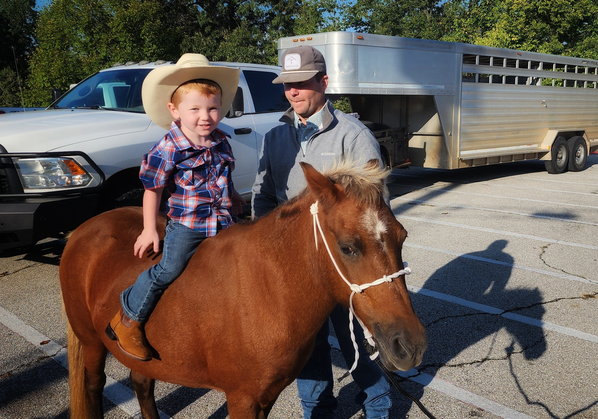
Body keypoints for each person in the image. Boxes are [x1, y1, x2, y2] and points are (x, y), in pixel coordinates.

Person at [251, 45, 392, 419]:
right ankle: (318, 410)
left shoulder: (352, 135)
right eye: (287, 85)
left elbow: (375, 213)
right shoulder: (275, 137)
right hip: (295, 266)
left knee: (351, 340)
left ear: (324, 82)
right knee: (307, 345)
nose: (293, 92)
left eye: (302, 83)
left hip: (341, 262)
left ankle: (378, 402)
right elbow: (263, 197)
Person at [106, 53, 245, 362]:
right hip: (188, 225)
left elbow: (224, 176)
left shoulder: (222, 141)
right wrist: (148, 229)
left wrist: (233, 197)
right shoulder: (168, 147)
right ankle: (128, 318)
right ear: (175, 110)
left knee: (239, 267)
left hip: (223, 219)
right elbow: (152, 188)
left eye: (212, 108)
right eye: (194, 109)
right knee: (169, 269)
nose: (205, 116)